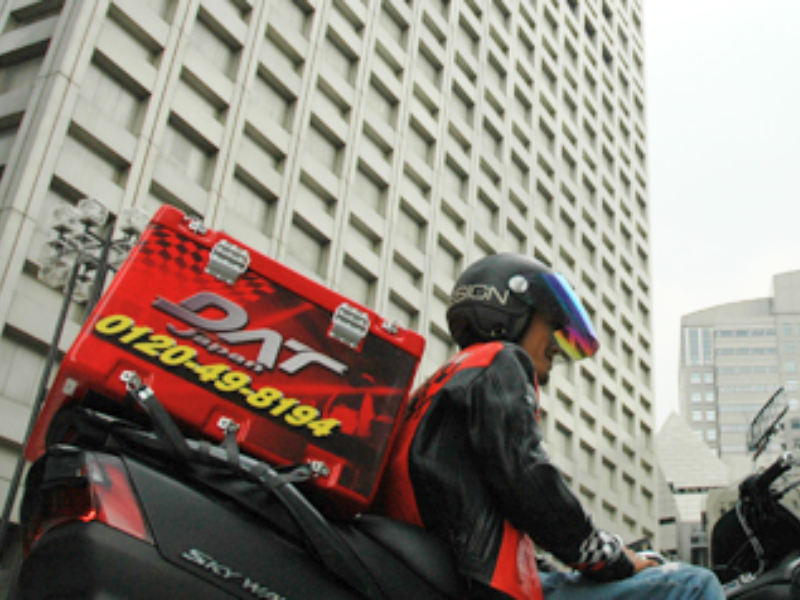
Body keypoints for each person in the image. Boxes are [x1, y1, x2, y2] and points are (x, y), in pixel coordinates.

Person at [375, 254, 724, 599]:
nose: (557, 344)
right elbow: (529, 479)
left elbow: (488, 516)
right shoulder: (501, 360)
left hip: (451, 575)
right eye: (552, 323)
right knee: (694, 584)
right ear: (510, 311)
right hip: (484, 588)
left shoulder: (437, 386)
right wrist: (607, 556)